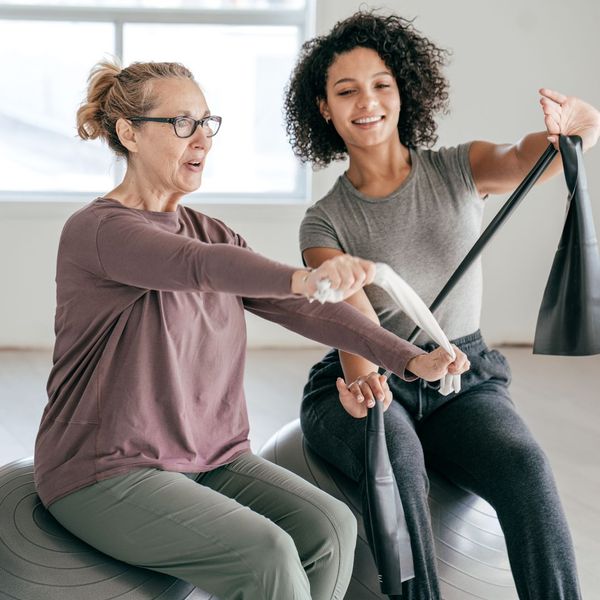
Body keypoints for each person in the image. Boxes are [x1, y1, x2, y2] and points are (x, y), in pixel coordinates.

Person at [32, 59, 470, 600]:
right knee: (267, 554)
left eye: (206, 122)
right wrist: (307, 277)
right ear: (129, 134)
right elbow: (197, 266)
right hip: (108, 471)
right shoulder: (98, 231)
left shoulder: (211, 230)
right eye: (181, 123)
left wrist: (409, 358)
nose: (202, 140)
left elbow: (307, 309)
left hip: (214, 459)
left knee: (332, 528)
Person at [284, 9, 600, 600]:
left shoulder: (459, 167)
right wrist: (373, 378)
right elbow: (355, 319)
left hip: (464, 377)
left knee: (526, 466)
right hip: (370, 377)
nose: (367, 102)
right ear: (324, 108)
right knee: (400, 465)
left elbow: (529, 157)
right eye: (346, 90)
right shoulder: (324, 220)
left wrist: (577, 134)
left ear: (403, 89)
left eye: (381, 84)